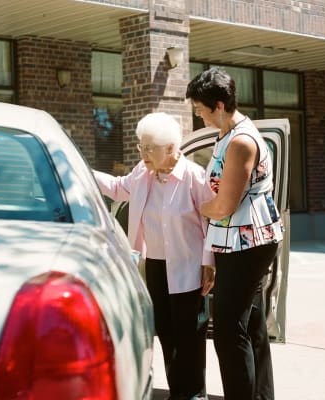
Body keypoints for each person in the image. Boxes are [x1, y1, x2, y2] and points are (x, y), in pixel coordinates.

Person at [93, 112, 215, 400]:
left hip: (189, 267)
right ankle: (179, 392)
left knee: (191, 336)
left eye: (150, 148)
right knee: (167, 333)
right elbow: (117, 189)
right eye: (141, 147)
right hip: (156, 267)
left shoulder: (194, 178)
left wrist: (209, 263)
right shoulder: (141, 172)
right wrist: (80, 171)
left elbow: (213, 223)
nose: (143, 153)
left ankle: (195, 394)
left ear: (172, 148)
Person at [186, 67, 284, 400]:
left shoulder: (241, 141)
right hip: (240, 240)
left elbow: (224, 206)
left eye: (200, 108)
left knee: (229, 331)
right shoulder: (227, 133)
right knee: (251, 324)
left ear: (218, 105)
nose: (198, 114)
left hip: (248, 242)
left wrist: (195, 207)